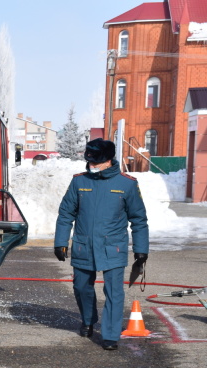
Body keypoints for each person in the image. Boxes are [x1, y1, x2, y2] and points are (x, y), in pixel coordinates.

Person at [54, 138, 149, 350]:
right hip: (83, 245)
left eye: (96, 163)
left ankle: (111, 335)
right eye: (89, 162)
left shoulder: (127, 184)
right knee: (81, 287)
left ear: (108, 160)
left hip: (113, 247)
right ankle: (88, 320)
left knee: (114, 292)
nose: (91, 166)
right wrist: (60, 241)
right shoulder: (79, 182)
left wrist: (141, 249)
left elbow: (139, 219)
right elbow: (66, 213)